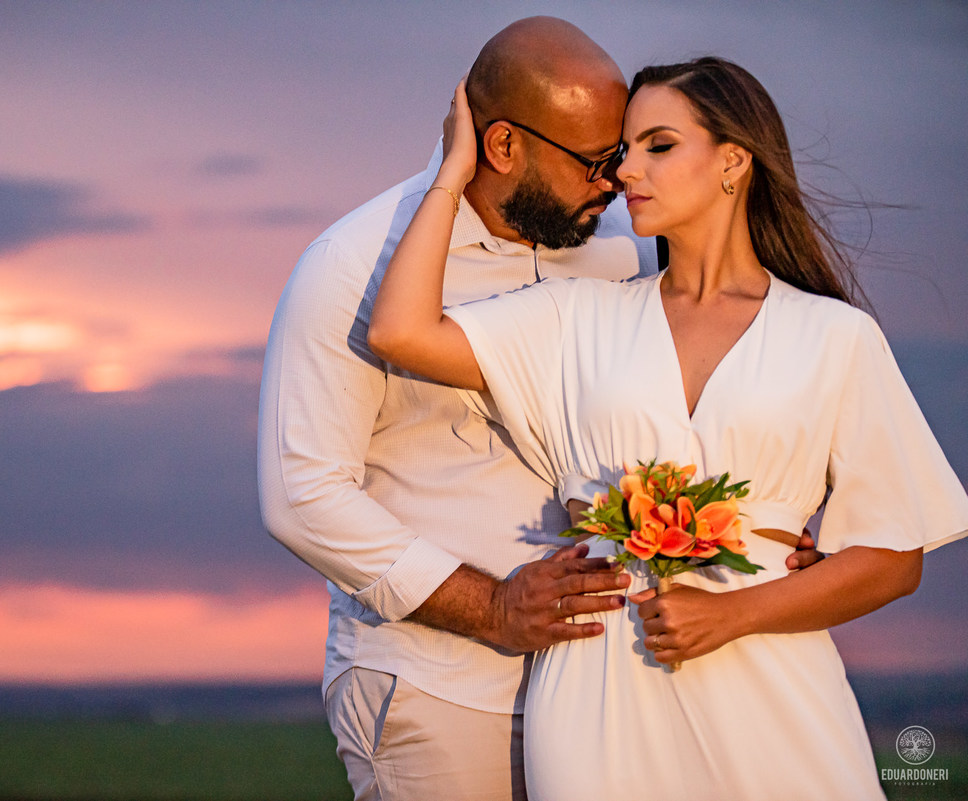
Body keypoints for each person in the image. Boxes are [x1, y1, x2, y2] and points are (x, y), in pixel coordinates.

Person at [367, 58, 968, 801]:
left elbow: (894, 558)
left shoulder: (835, 337)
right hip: (598, 684)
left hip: (771, 681)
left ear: (733, 161)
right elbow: (400, 331)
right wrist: (453, 174)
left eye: (658, 146)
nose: (626, 171)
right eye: (624, 152)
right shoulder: (578, 316)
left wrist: (732, 613)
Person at [259, 19, 821, 801]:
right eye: (596, 160)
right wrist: (492, 606)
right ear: (501, 146)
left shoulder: (627, 248)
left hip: (617, 686)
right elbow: (303, 495)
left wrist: (763, 528)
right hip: (439, 688)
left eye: (622, 153)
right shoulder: (351, 266)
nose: (616, 180)